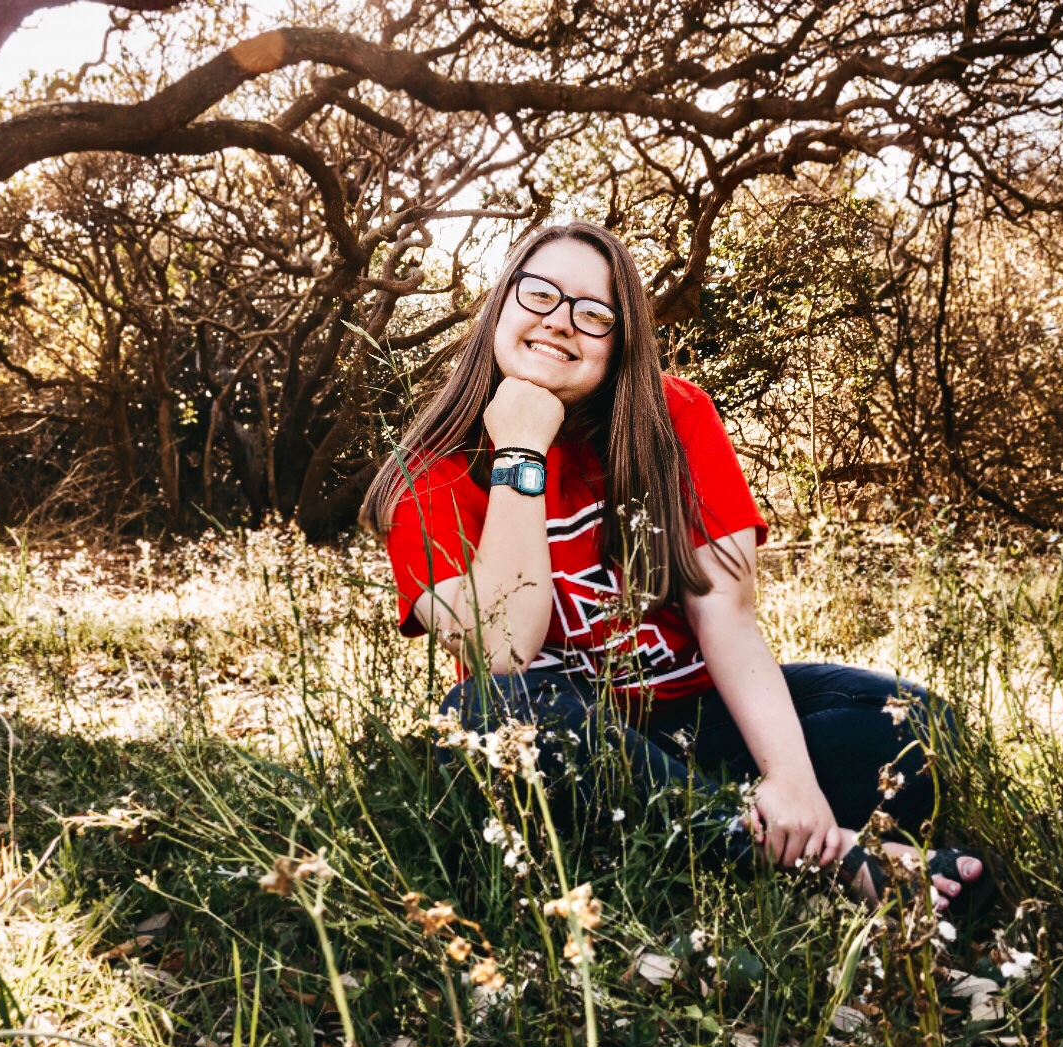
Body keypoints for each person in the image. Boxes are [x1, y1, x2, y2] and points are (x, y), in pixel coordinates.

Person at [360, 221, 988, 914]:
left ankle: (726, 831)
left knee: (914, 724)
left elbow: (727, 613)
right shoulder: (426, 473)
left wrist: (790, 777)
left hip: (695, 721)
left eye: (593, 314)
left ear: (620, 343)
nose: (560, 323)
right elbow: (500, 648)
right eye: (537, 295)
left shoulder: (673, 415)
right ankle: (833, 855)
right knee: (482, 717)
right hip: (571, 743)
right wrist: (519, 453)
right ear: (499, 304)